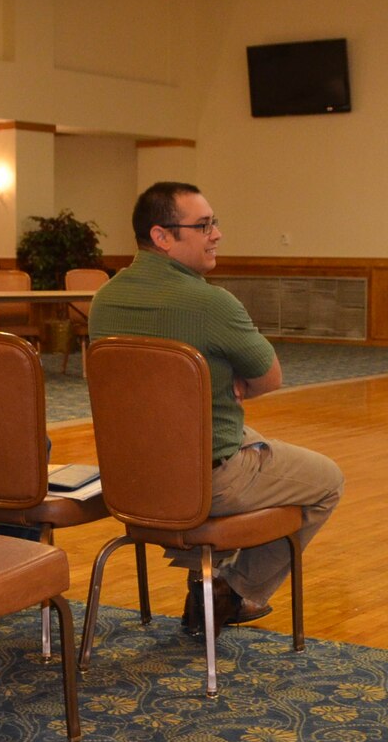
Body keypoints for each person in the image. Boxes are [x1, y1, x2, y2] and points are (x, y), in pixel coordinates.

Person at [88, 182, 344, 634]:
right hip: (208, 480)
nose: (216, 235)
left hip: (130, 479)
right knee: (326, 481)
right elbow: (270, 378)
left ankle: (202, 582)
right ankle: (233, 592)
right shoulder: (211, 303)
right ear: (162, 236)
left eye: (214, 223)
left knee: (236, 440)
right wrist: (234, 379)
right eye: (203, 226)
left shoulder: (104, 300)